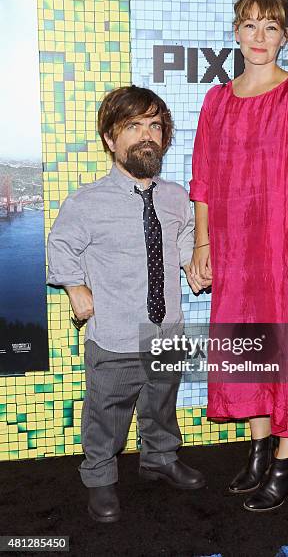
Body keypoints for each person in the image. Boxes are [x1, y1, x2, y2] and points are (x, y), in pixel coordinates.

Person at [189, 0, 288, 512]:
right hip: (232, 255)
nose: (259, 35)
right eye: (250, 24)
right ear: (236, 33)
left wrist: (273, 226)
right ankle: (258, 448)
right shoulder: (217, 101)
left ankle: (285, 461)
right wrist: (205, 242)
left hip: (284, 256)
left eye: (270, 26)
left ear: (283, 37)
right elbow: (202, 180)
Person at [47, 85, 210, 523]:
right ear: (110, 139)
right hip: (115, 333)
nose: (146, 136)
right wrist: (74, 288)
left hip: (167, 329)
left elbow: (178, 242)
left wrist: (196, 264)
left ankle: (159, 458)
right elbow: (60, 247)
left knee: (161, 403)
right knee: (107, 415)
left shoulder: (177, 197)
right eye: (133, 126)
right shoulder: (87, 202)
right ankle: (100, 479)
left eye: (154, 125)